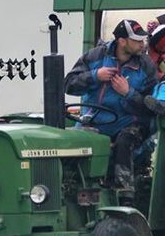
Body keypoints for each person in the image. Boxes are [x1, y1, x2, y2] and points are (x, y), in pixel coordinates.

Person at [64, 18, 156, 203]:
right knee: (69, 144)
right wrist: (94, 76)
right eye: (137, 40)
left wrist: (128, 93)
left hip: (130, 123)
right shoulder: (94, 57)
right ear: (122, 41)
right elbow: (69, 85)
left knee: (125, 140)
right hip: (94, 122)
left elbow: (152, 106)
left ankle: (125, 194)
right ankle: (68, 191)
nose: (142, 44)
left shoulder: (146, 66)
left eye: (142, 40)